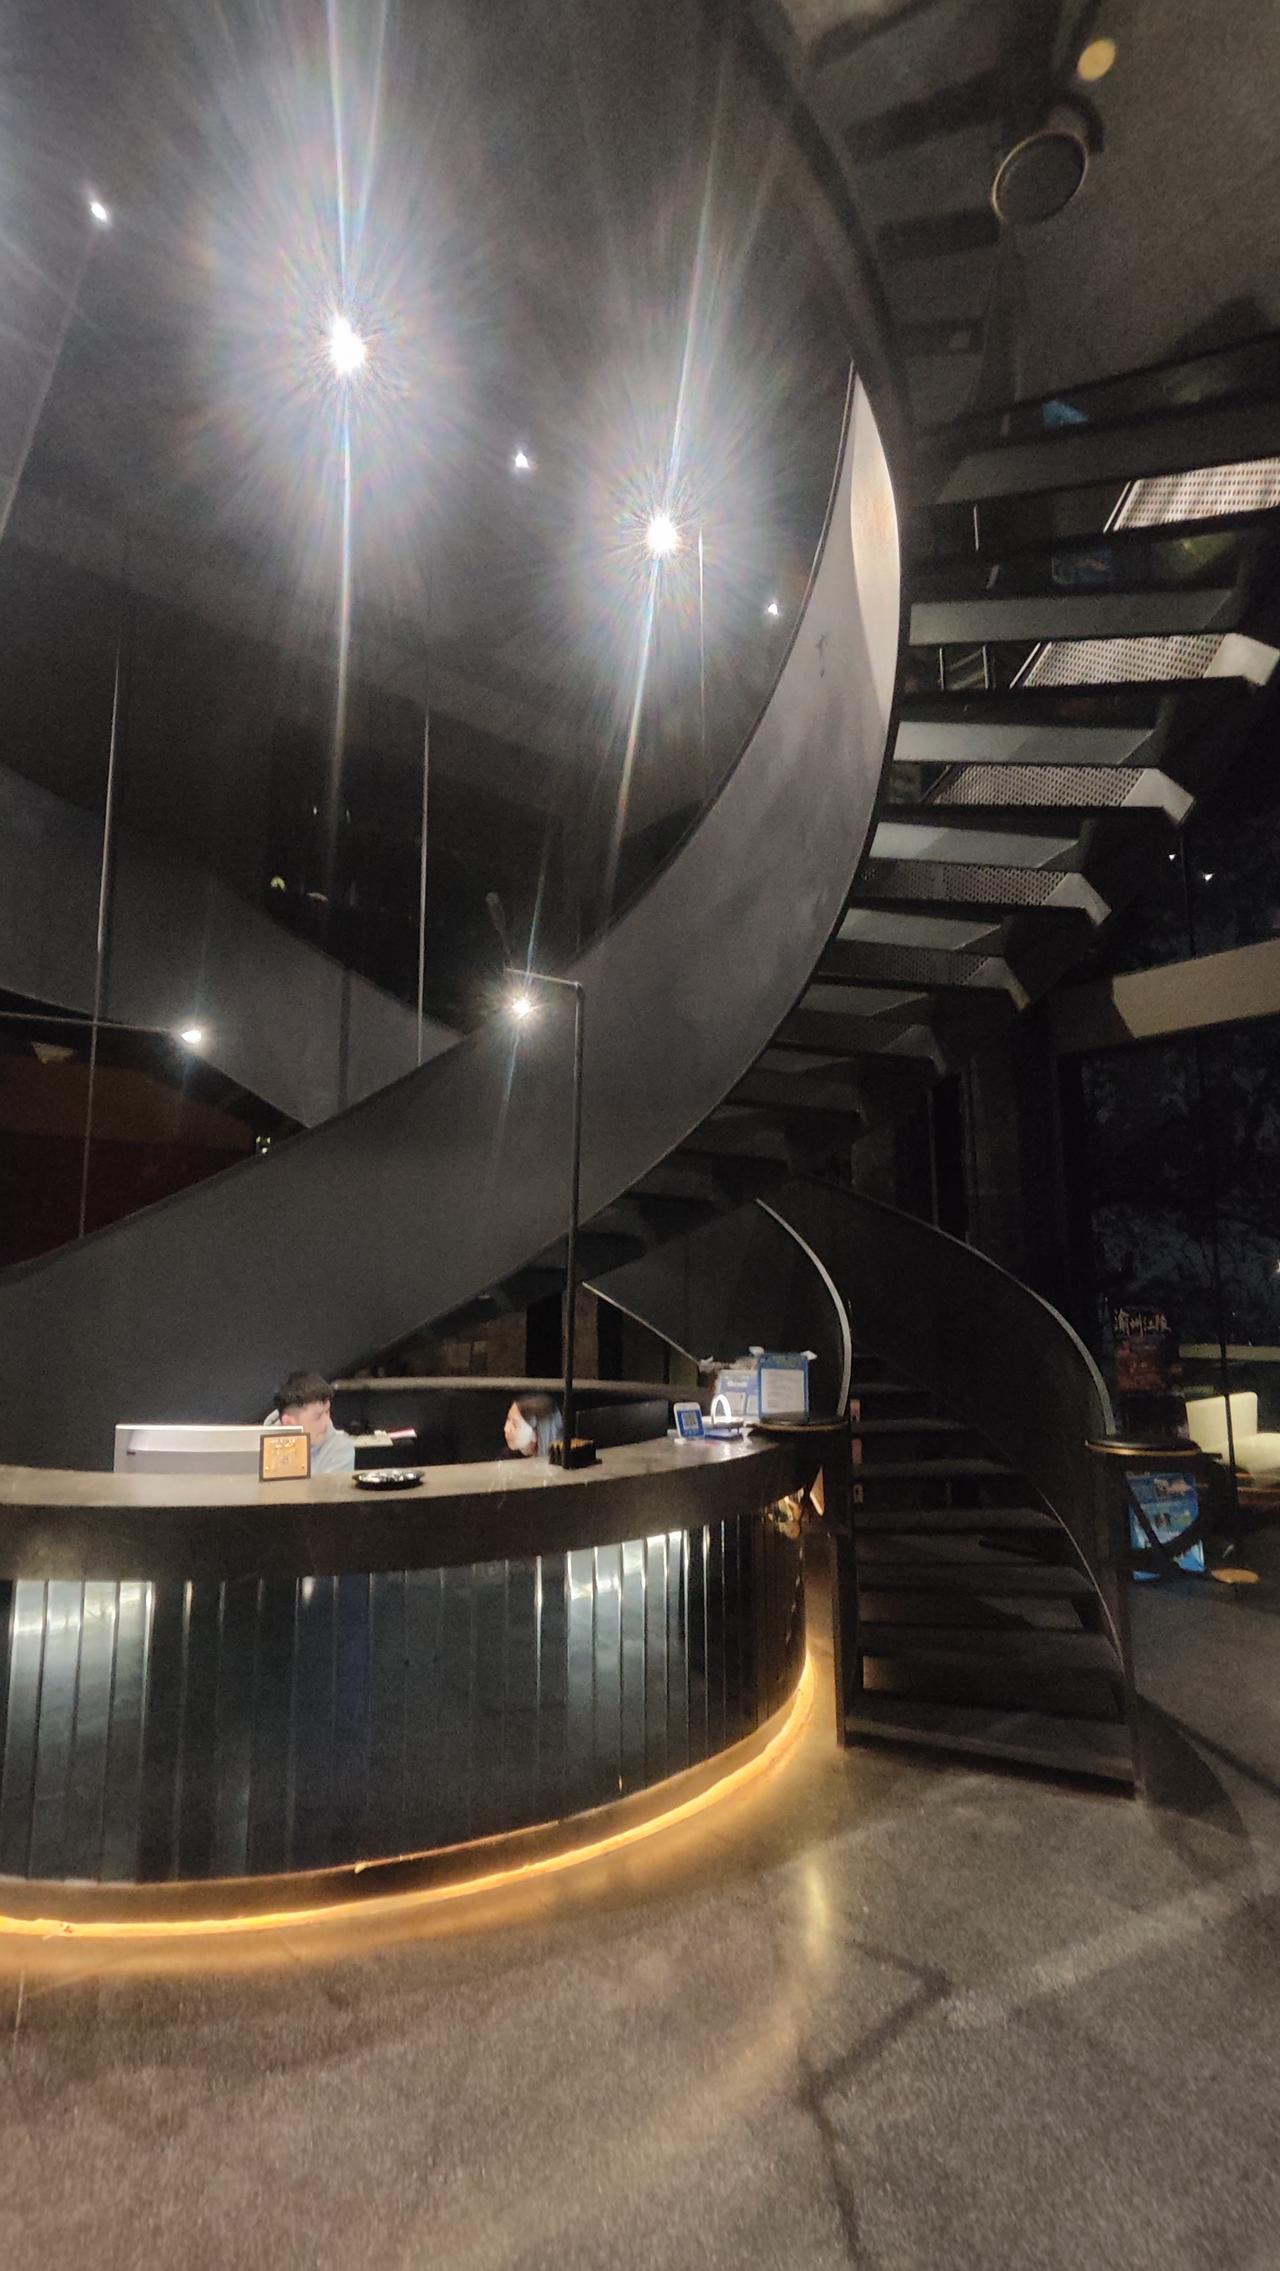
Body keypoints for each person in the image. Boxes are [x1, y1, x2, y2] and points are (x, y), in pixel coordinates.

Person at [264, 1371, 355, 1475]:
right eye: (317, 1417)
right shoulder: (260, 1449)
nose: (327, 1421)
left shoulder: (340, 1448)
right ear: (289, 1424)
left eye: (327, 1412)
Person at [503, 1393, 563, 1459]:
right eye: (508, 1419)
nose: (506, 1429)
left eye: (515, 1425)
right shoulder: (506, 1458)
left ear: (535, 1434)